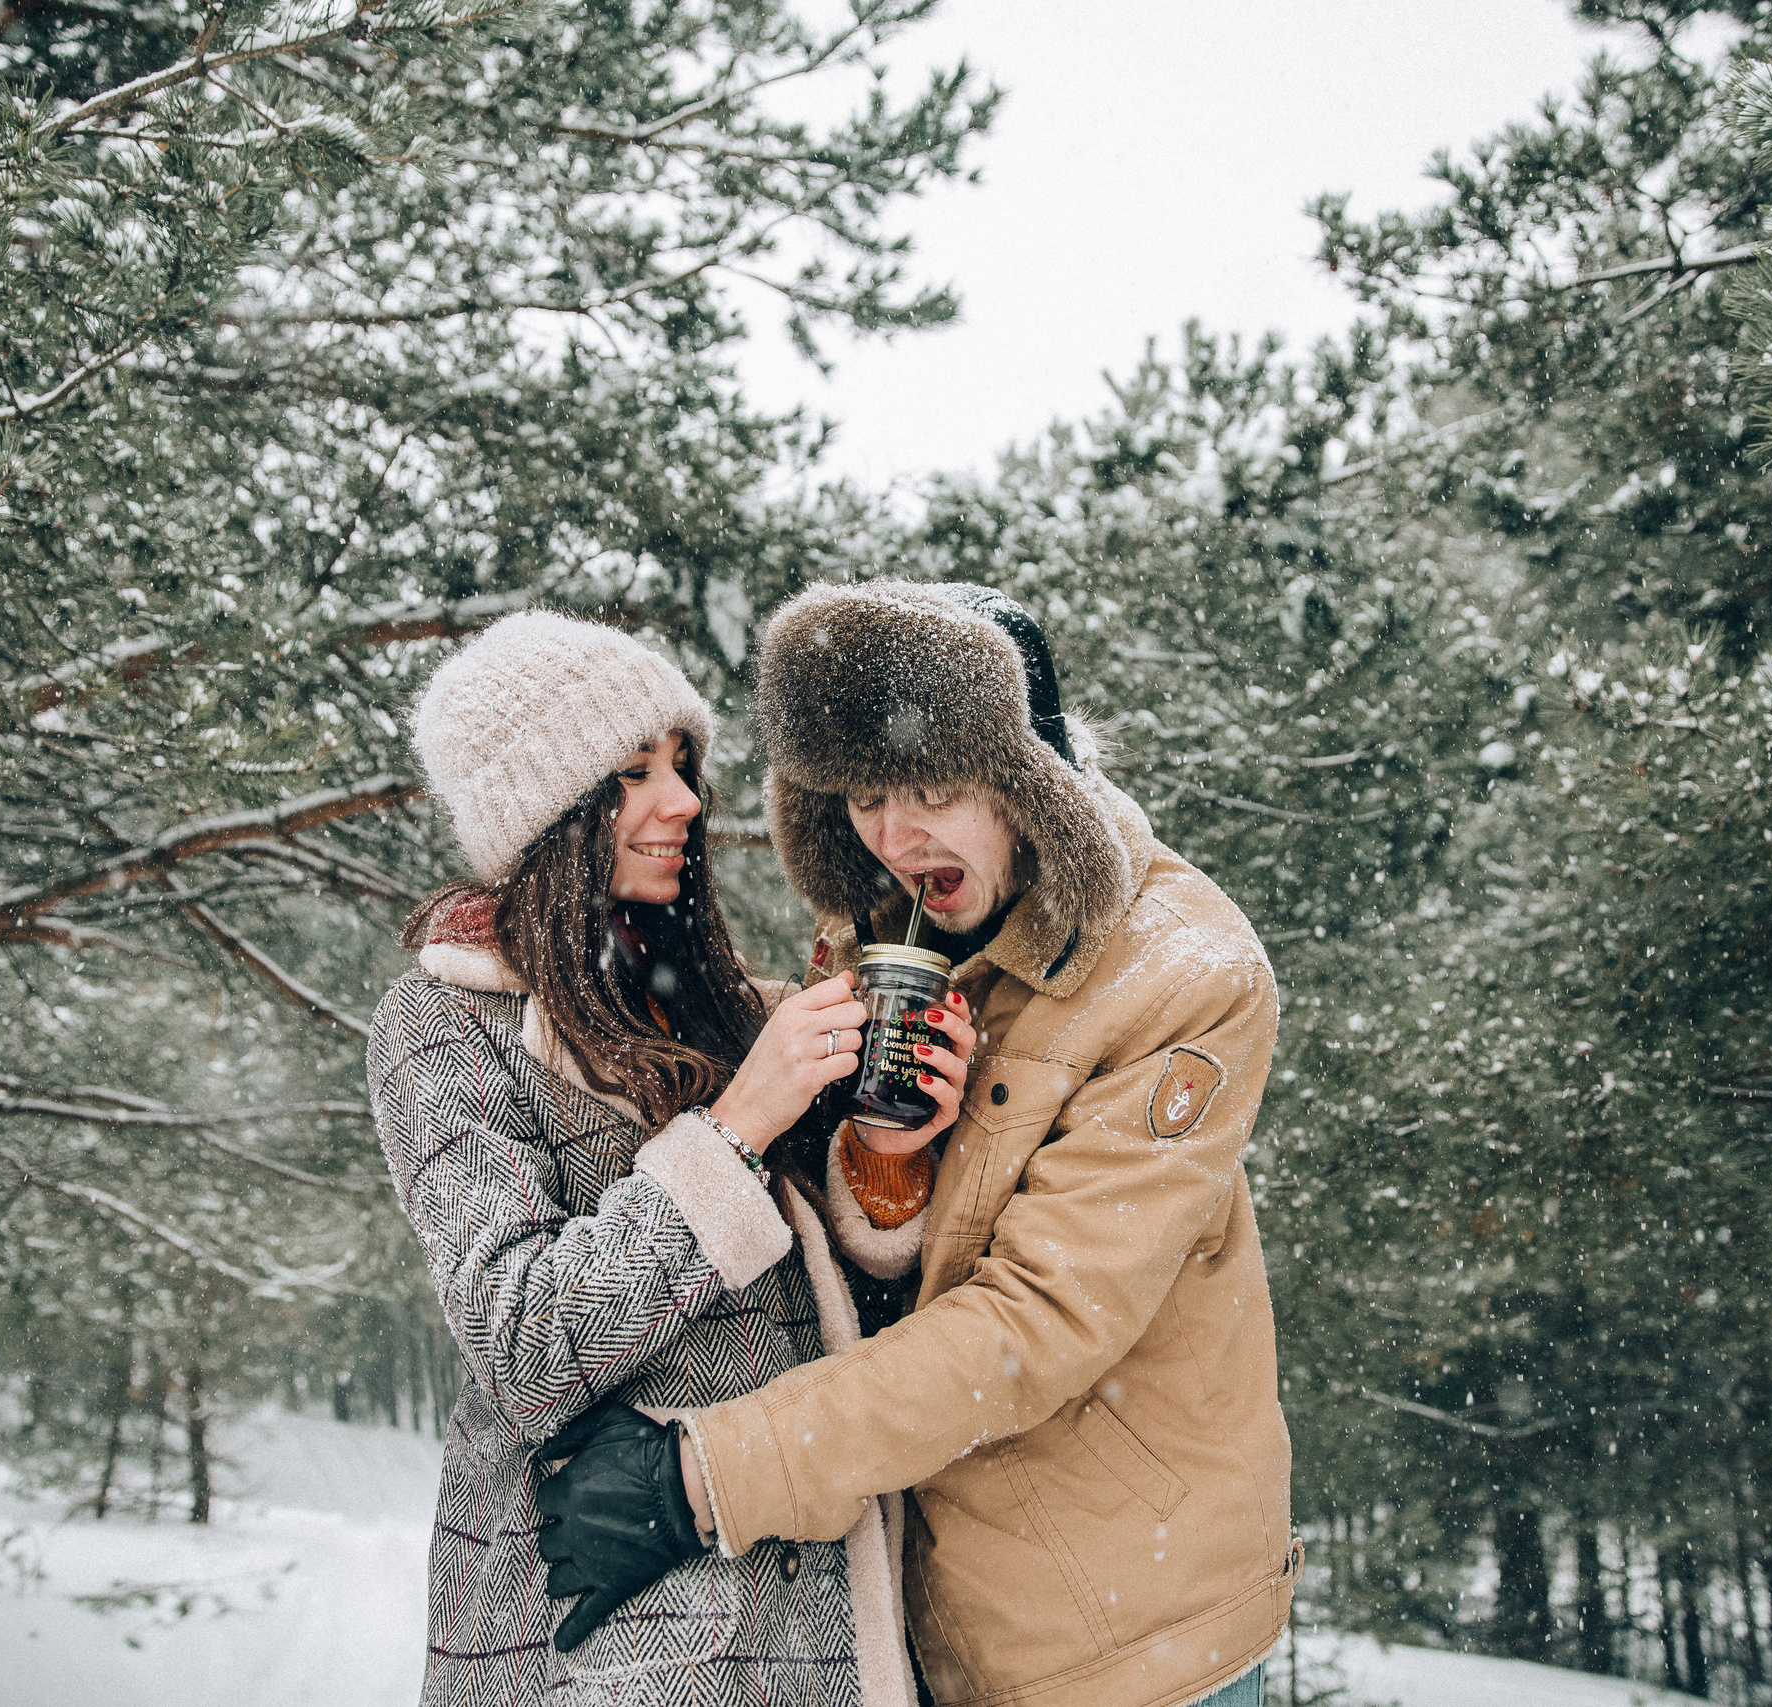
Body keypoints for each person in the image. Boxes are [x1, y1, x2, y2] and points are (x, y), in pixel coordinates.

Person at [536, 582, 1295, 1707]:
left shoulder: (1185, 977)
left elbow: (1032, 1326)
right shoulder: (880, 937)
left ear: (1030, 783)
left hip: (1129, 1640)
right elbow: (868, 1261)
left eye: (935, 788)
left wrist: (705, 1475)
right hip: (925, 1618)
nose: (895, 836)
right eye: (867, 794)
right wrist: (884, 1163)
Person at [367, 610, 975, 1707]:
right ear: (548, 810)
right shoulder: (441, 1027)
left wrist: (885, 1155)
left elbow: (820, 1304)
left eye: (684, 766)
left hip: (813, 1601)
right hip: (622, 1643)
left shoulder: (702, 993)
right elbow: (525, 1343)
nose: (685, 802)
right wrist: (737, 1127)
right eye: (634, 773)